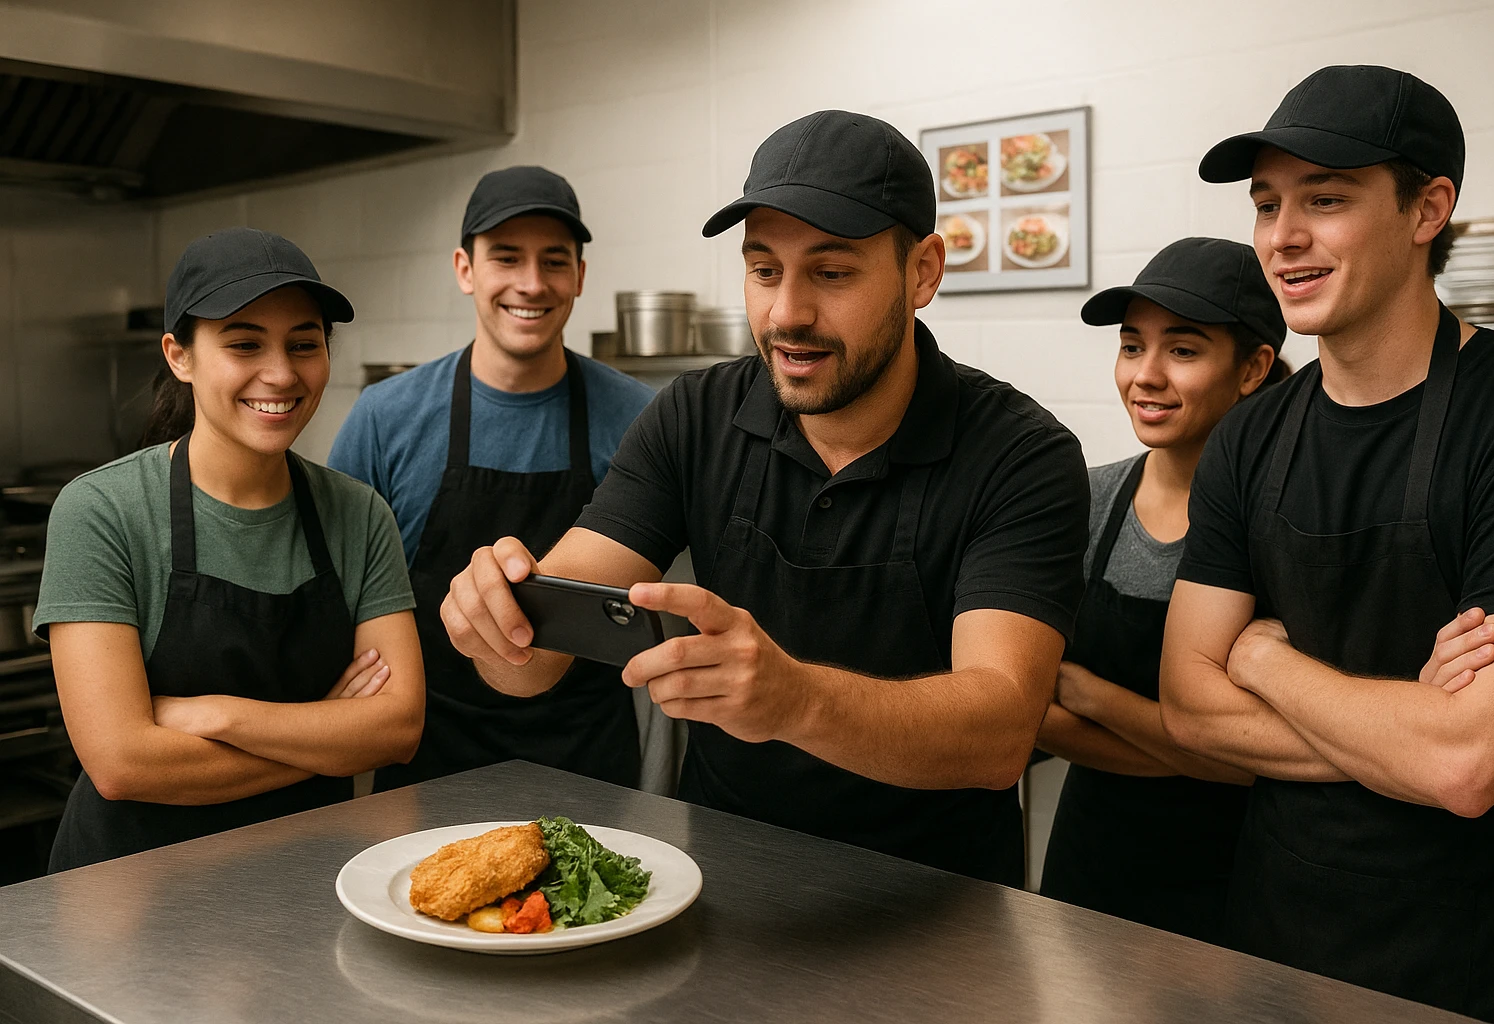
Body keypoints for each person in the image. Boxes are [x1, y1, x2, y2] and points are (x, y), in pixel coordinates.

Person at [436, 110, 1090, 887]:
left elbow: (999, 735)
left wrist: (797, 700)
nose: (786, 314)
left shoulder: (1021, 454)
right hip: (724, 884)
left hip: (940, 904)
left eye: (833, 271)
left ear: (923, 270)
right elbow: (537, 657)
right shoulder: (694, 417)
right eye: (764, 269)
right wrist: (498, 626)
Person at [1161, 65, 1494, 1021]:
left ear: (1428, 209)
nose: (1283, 238)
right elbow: (1188, 709)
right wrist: (1409, 721)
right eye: (1267, 204)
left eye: (1325, 200)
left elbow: (1469, 765)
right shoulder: (1253, 432)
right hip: (1277, 940)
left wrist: (1262, 660)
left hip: (1473, 951)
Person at [36, 228, 424, 872]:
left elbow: (397, 729)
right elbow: (120, 763)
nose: (281, 373)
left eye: (305, 344)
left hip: (311, 878)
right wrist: (326, 729)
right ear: (179, 356)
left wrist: (216, 715)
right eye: (244, 343)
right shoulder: (102, 512)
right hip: (131, 889)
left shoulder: (358, 515)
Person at [329, 167, 654, 790]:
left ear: (580, 276)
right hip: (431, 758)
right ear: (465, 269)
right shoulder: (386, 418)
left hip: (590, 762)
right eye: (506, 258)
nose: (531, 284)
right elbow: (335, 597)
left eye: (554, 261)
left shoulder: (640, 418)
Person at [1035, 237, 1284, 941]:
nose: (1145, 376)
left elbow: (1261, 768)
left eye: (1182, 350)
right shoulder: (1086, 499)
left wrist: (1094, 698)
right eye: (1130, 346)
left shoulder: (1282, 524)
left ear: (1253, 368)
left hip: (1235, 884)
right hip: (1092, 870)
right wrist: (1202, 752)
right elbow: (1032, 712)